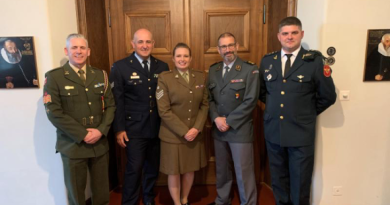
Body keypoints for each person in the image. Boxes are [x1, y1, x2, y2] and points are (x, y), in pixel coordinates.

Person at [258, 17, 336, 205]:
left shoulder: (314, 62)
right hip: (274, 131)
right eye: (285, 33)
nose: (289, 37)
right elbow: (262, 92)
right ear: (279, 36)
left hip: (301, 135)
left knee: (300, 182)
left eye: (294, 33)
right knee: (278, 180)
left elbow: (328, 96)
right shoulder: (268, 61)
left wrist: (305, 113)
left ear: (301, 34)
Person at [44, 33, 116, 205]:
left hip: (99, 143)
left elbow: (111, 106)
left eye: (82, 47)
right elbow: (53, 111)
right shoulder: (55, 77)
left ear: (88, 51)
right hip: (72, 144)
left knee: (101, 193)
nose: (78, 51)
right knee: (76, 194)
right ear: (66, 51)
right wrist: (82, 134)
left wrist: (100, 130)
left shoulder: (100, 75)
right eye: (74, 47)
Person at [109, 28, 169, 205]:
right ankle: (130, 202)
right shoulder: (120, 67)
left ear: (153, 44)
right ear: (132, 44)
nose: (145, 45)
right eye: (140, 42)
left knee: (152, 168)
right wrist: (119, 129)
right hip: (133, 129)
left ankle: (149, 198)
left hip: (157, 127)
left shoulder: (162, 66)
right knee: (134, 169)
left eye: (148, 42)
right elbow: (117, 101)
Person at [208, 32, 259, 205]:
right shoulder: (213, 70)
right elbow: (209, 99)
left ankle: (248, 202)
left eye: (230, 45)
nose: (227, 50)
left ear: (236, 46)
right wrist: (216, 118)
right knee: (222, 170)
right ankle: (222, 200)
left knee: (243, 171)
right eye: (223, 46)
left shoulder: (249, 69)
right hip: (219, 129)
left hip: (239, 129)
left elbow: (251, 100)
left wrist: (228, 121)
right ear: (218, 49)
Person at [156, 43, 209, 205]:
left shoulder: (200, 77)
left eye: (186, 56)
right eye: (178, 56)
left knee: (189, 169)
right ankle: (176, 203)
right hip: (173, 135)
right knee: (174, 171)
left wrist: (196, 128)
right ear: (173, 58)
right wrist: (184, 131)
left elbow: (205, 105)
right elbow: (164, 110)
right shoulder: (165, 78)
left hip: (194, 134)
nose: (182, 59)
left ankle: (185, 199)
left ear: (191, 58)